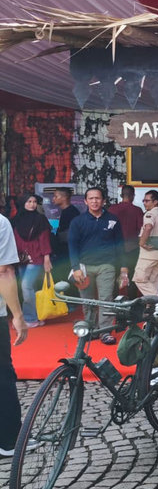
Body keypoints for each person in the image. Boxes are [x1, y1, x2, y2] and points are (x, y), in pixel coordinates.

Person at [68, 187, 128, 345]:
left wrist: (124, 268)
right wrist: (76, 268)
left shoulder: (113, 220)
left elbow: (120, 245)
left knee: (106, 299)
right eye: (91, 198)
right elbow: (72, 246)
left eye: (97, 198)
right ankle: (91, 329)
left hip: (107, 265)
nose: (94, 201)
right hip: (84, 267)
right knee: (87, 300)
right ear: (85, 201)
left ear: (103, 201)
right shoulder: (77, 222)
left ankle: (105, 332)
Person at [0, 212, 29, 457]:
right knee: (2, 375)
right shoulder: (1, 223)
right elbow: (4, 272)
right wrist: (18, 315)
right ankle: (9, 441)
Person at [11, 194, 52, 328]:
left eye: (34, 202)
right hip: (21, 258)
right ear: (23, 203)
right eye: (29, 201)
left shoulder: (40, 219)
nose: (32, 204)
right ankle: (35, 317)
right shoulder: (16, 219)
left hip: (36, 256)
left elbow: (44, 239)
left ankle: (30, 318)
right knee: (27, 288)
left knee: (26, 286)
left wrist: (47, 257)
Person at [133, 190, 158, 296]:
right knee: (154, 282)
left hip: (148, 255)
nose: (144, 203)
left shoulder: (150, 214)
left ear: (155, 202)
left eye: (147, 201)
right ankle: (153, 304)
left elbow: (148, 227)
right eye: (143, 201)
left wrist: (142, 243)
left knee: (139, 279)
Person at [107, 185, 143, 279]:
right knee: (131, 275)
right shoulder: (137, 210)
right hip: (132, 248)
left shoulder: (112, 209)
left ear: (121, 195)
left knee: (113, 274)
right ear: (133, 196)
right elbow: (141, 229)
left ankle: (115, 289)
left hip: (114, 247)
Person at [51, 186, 79, 287]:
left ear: (64, 197)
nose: (53, 199)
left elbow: (69, 234)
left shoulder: (71, 213)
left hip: (68, 254)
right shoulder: (66, 211)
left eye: (56, 196)